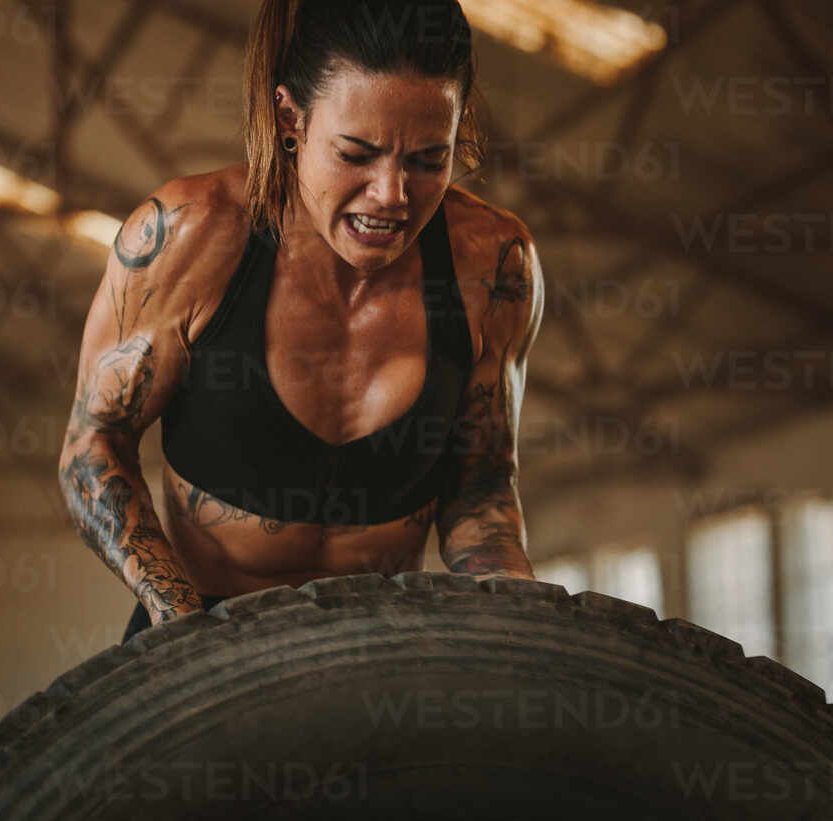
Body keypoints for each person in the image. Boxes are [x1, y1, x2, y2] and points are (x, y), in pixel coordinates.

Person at [59, 0, 544, 645]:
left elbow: (481, 486)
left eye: (429, 160)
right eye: (357, 153)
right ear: (291, 119)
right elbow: (93, 448)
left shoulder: (492, 264)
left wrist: (520, 627)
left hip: (384, 651)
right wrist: (181, 627)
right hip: (198, 630)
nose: (392, 195)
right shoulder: (190, 235)